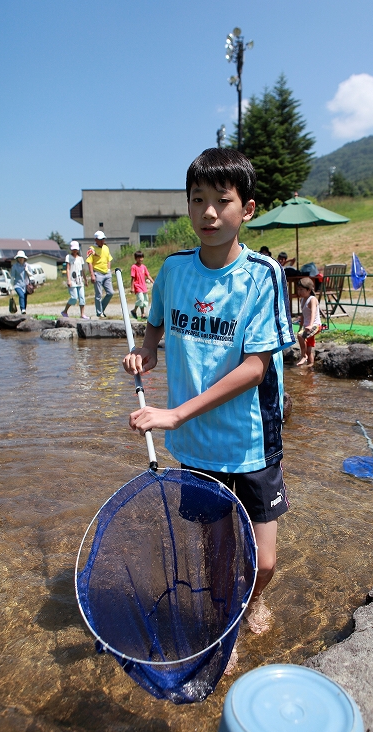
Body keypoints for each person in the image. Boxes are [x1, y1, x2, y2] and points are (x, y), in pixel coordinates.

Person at [123, 148, 295, 643]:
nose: (209, 213)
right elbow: (157, 320)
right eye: (197, 201)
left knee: (264, 561)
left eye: (222, 201)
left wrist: (175, 414)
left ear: (249, 208)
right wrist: (147, 351)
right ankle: (224, 629)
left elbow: (255, 367)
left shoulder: (263, 276)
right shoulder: (175, 271)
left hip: (250, 439)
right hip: (198, 445)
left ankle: (252, 601)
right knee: (217, 552)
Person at [86, 231, 114, 317]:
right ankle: (99, 312)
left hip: (106, 273)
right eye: (100, 239)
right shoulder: (91, 249)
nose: (102, 241)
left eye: (103, 239)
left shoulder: (106, 247)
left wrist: (109, 269)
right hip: (97, 273)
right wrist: (92, 275)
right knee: (99, 294)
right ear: (96, 240)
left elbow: (108, 259)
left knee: (110, 292)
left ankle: (101, 308)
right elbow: (89, 262)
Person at [296, 277, 321, 367]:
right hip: (306, 326)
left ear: (309, 290)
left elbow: (313, 312)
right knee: (309, 348)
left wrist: (310, 325)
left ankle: (303, 356)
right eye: (298, 289)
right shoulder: (302, 300)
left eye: (301, 289)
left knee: (300, 336)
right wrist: (300, 326)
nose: (299, 292)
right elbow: (303, 314)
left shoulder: (312, 299)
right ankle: (310, 367)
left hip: (315, 325)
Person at [61, 241, 89, 319]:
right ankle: (65, 311)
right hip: (72, 280)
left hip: (80, 280)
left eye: (76, 249)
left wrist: (85, 280)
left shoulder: (80, 258)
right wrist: (68, 280)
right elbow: (68, 269)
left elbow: (82, 270)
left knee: (82, 298)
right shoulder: (68, 257)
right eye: (73, 249)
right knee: (74, 298)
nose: (75, 251)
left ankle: (82, 314)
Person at [130, 251, 154, 319]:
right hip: (137, 286)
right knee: (140, 299)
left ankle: (142, 314)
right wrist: (132, 287)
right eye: (138, 258)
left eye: (141, 257)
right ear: (135, 258)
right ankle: (134, 310)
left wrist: (153, 282)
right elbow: (133, 278)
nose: (140, 259)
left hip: (143, 286)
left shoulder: (144, 267)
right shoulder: (134, 267)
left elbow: (148, 276)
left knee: (144, 300)